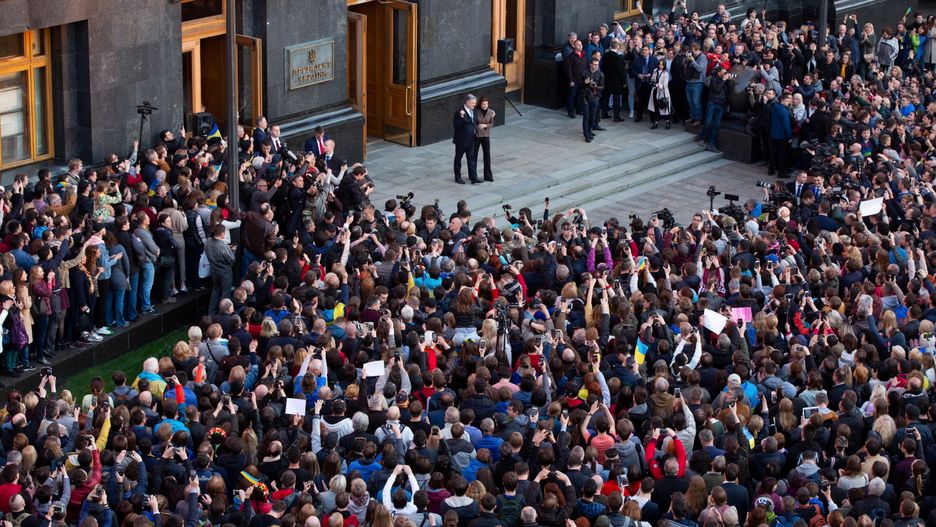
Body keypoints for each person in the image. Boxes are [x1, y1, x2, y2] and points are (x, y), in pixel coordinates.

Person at [205, 224, 236, 315]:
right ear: (222, 233)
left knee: (215, 290)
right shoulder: (222, 246)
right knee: (225, 293)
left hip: (214, 270)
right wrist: (232, 250)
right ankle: (223, 313)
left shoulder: (208, 241)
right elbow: (231, 259)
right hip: (225, 272)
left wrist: (228, 248)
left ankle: (211, 312)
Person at [696, 66, 728, 153]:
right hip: (712, 103)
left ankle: (712, 144)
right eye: (723, 72)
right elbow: (717, 89)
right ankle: (702, 138)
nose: (725, 74)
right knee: (708, 121)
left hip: (721, 104)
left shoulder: (724, 80)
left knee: (716, 125)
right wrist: (724, 80)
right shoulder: (714, 79)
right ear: (719, 73)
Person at [453, 94, 479, 184]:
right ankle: (457, 177)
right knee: (458, 159)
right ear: (467, 102)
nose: (474, 105)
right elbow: (456, 126)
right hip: (461, 141)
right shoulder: (459, 112)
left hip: (471, 140)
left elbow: (475, 123)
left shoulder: (474, 111)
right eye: (472, 103)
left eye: (475, 103)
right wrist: (461, 117)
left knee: (471, 159)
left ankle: (473, 178)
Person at [581, 58, 605, 143]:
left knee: (592, 117)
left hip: (595, 98)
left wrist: (595, 86)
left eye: (597, 65)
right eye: (594, 64)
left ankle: (589, 131)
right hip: (586, 97)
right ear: (590, 64)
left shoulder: (600, 74)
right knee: (586, 116)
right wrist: (585, 82)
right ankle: (586, 135)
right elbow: (579, 83)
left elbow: (602, 87)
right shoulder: (585, 72)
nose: (596, 66)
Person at [474, 97, 496, 183]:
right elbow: (473, 123)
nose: (485, 106)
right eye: (483, 104)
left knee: (487, 155)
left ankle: (488, 176)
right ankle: (473, 175)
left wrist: (486, 126)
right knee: (474, 156)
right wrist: (478, 126)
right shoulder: (475, 111)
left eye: (486, 104)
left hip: (486, 136)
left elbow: (492, 124)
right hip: (477, 136)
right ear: (480, 104)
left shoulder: (490, 112)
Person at [647, 59, 672, 130]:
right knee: (655, 107)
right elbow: (652, 79)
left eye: (662, 64)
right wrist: (652, 82)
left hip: (663, 93)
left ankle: (667, 122)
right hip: (655, 91)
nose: (660, 65)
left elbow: (665, 85)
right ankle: (656, 122)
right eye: (659, 64)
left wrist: (657, 85)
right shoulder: (655, 71)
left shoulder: (666, 73)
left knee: (665, 108)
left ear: (664, 65)